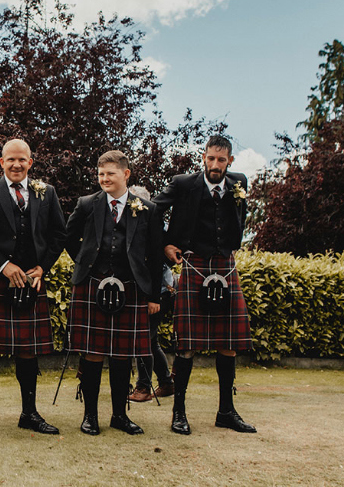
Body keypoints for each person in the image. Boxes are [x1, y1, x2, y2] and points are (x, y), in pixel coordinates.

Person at [0, 139, 66, 436]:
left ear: (31, 162)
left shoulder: (47, 192)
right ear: (1, 162)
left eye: (22, 160)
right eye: (11, 160)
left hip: (32, 281)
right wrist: (3, 266)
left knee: (28, 350)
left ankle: (29, 414)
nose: (16, 165)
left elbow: (59, 235)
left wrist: (43, 266)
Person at [152, 135, 256, 435]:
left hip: (226, 266)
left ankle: (226, 412)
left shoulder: (239, 184)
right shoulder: (184, 184)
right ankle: (179, 414)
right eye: (210, 158)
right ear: (203, 157)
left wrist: (232, 245)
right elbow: (154, 209)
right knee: (186, 344)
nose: (215, 165)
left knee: (230, 344)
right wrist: (166, 245)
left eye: (221, 160)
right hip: (194, 264)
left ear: (230, 161)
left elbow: (240, 219)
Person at [64, 151, 163, 435]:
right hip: (92, 285)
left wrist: (154, 296)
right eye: (101, 174)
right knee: (92, 354)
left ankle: (119, 416)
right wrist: (85, 262)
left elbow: (156, 256)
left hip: (131, 289)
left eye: (110, 173)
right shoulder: (86, 204)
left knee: (122, 356)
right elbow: (69, 238)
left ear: (126, 174)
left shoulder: (147, 208)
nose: (104, 179)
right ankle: (90, 416)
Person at [127, 186, 175, 403]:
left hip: (159, 291)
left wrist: (153, 297)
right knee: (151, 340)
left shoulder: (154, 225)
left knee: (145, 339)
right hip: (146, 290)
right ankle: (166, 382)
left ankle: (143, 387)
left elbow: (156, 262)